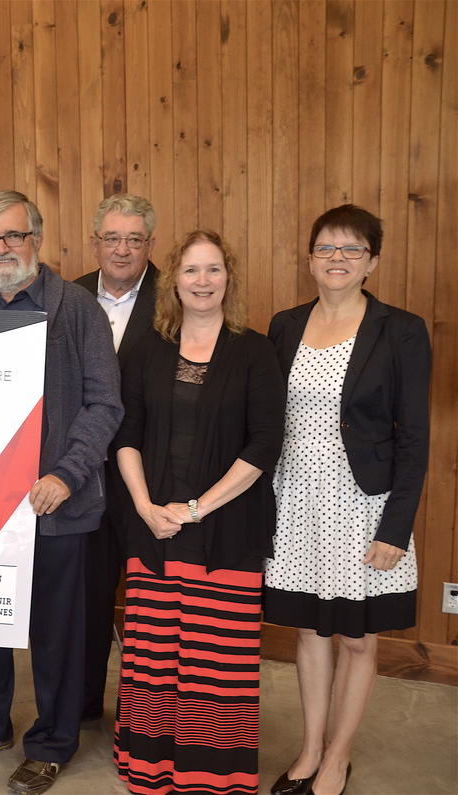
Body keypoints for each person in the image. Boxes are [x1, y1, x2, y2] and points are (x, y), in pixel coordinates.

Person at [0, 191, 122, 795]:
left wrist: (67, 474)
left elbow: (104, 404)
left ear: (36, 239)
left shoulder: (77, 309)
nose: (3, 248)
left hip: (55, 502)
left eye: (14, 235)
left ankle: (52, 743)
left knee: (56, 632)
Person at [265, 205, 430, 795]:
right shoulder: (285, 325)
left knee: (359, 638)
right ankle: (310, 749)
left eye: (352, 249)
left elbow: (414, 438)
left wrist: (395, 528)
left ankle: (339, 756)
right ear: (309, 259)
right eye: (326, 248)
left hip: (363, 507)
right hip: (295, 501)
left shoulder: (400, 330)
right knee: (310, 631)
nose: (337, 258)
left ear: (372, 262)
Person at [111, 229, 284, 795]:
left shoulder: (255, 351)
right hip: (154, 528)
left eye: (213, 269)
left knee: (216, 665)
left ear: (228, 278)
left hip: (227, 529)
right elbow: (126, 435)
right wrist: (144, 506)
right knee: (155, 660)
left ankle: (213, 776)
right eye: (191, 270)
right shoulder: (146, 349)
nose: (202, 281)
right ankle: (149, 768)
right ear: (174, 281)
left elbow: (265, 443)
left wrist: (195, 509)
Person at [72, 193, 159, 722]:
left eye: (134, 239)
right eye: (112, 238)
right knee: (86, 598)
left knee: (150, 602)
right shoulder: (71, 296)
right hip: (85, 473)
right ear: (95, 243)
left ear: (150, 244)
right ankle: (83, 705)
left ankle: (142, 714)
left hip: (152, 476)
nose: (122, 249)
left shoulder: (176, 298)